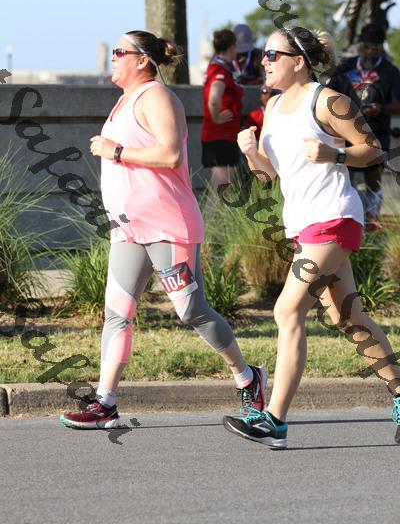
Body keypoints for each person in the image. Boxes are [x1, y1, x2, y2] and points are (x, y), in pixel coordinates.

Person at [60, 30, 266, 429]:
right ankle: (105, 402)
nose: (113, 57)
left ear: (142, 60)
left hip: (167, 226)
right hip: (129, 228)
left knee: (191, 310)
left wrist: (115, 151)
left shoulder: (156, 96)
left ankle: (247, 377)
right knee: (117, 314)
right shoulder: (124, 100)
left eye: (120, 51)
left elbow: (170, 154)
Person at [223, 25, 400, 448]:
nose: (264, 62)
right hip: (304, 225)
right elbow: (269, 176)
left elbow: (373, 149)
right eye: (264, 55)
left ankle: (274, 421)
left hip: (334, 217)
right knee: (348, 319)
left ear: (298, 61)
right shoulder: (274, 106)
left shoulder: (328, 101)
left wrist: (335, 153)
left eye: (272, 55)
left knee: (287, 311)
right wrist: (251, 152)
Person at [334, 23, 400, 228]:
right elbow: (327, 93)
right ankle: (346, 218)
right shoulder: (345, 67)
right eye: (365, 47)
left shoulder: (391, 72)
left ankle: (372, 221)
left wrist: (381, 108)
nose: (369, 52)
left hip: (376, 133)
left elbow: (398, 104)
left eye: (374, 47)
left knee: (373, 179)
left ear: (380, 48)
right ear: (359, 47)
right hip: (346, 132)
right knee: (346, 176)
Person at [201, 29, 243, 210]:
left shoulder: (218, 67)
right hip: (221, 137)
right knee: (219, 192)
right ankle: (209, 226)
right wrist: (217, 117)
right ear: (232, 47)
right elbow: (214, 98)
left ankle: (212, 225)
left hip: (223, 137)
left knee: (222, 190)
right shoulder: (220, 70)